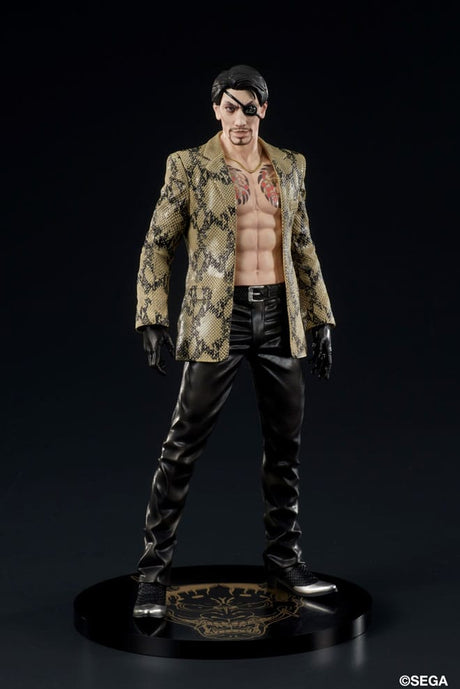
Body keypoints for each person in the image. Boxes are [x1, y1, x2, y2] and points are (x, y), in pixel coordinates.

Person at [133, 65, 337, 618]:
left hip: (279, 315)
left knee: (285, 446)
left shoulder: (289, 165)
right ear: (215, 109)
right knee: (182, 445)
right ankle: (152, 574)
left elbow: (302, 243)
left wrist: (321, 318)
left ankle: (284, 560)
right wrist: (151, 315)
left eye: (250, 107)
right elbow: (158, 243)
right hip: (216, 319)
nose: (240, 118)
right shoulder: (190, 165)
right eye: (230, 107)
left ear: (263, 109)